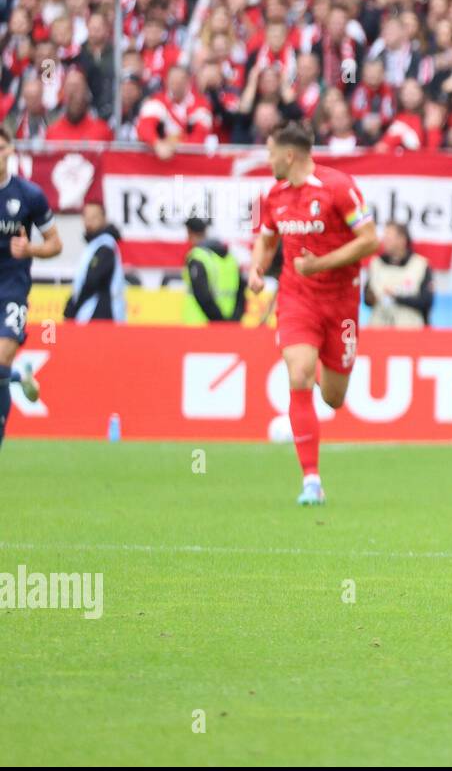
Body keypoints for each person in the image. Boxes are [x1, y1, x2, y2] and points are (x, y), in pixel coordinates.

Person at [249, 122, 378, 506]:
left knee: (335, 398)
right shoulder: (274, 195)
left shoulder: (340, 187)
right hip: (296, 298)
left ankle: (324, 362)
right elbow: (267, 239)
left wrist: (320, 264)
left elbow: (370, 240)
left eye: (271, 153)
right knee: (298, 372)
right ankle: (311, 480)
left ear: (289, 155)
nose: (268, 160)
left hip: (341, 304)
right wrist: (257, 268)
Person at [0, 126, 61, 449]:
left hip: (12, 287)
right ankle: (18, 380)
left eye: (1, 148)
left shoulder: (28, 195)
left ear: (10, 151)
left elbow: (56, 244)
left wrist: (30, 250)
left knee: (2, 356)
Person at [64, 201, 125, 323]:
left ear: (104, 219)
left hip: (100, 315)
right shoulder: (94, 246)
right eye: (86, 217)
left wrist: (72, 309)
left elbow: (92, 280)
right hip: (91, 314)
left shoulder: (105, 247)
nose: (89, 222)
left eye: (94, 217)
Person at [364, 222, 433, 328]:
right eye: (384, 237)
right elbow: (367, 299)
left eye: (389, 238)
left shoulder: (420, 265)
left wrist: (396, 297)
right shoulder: (376, 263)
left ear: (402, 240)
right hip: (379, 328)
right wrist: (372, 297)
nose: (384, 242)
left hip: (410, 330)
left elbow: (426, 301)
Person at [183, 217, 246, 324]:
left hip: (199, 324)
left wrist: (219, 321)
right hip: (230, 322)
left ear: (189, 233)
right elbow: (241, 291)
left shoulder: (198, 257)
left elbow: (203, 296)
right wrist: (234, 320)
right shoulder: (231, 257)